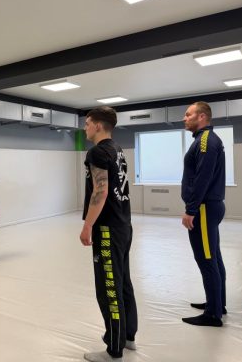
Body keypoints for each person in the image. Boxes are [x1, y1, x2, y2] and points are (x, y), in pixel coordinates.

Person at [80, 107, 137, 362]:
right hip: (124, 226)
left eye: (87, 123)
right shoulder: (117, 149)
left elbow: (100, 191)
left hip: (107, 229)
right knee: (123, 282)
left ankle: (114, 349)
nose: (85, 128)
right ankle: (128, 336)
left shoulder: (97, 152)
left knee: (109, 288)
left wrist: (87, 225)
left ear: (98, 125)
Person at [181, 101, 227, 327]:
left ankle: (213, 314)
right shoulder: (204, 140)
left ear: (201, 117)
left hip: (203, 209)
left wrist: (191, 209)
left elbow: (203, 178)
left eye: (188, 114)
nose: (184, 118)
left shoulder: (206, 141)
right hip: (208, 206)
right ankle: (217, 304)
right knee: (214, 257)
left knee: (206, 259)